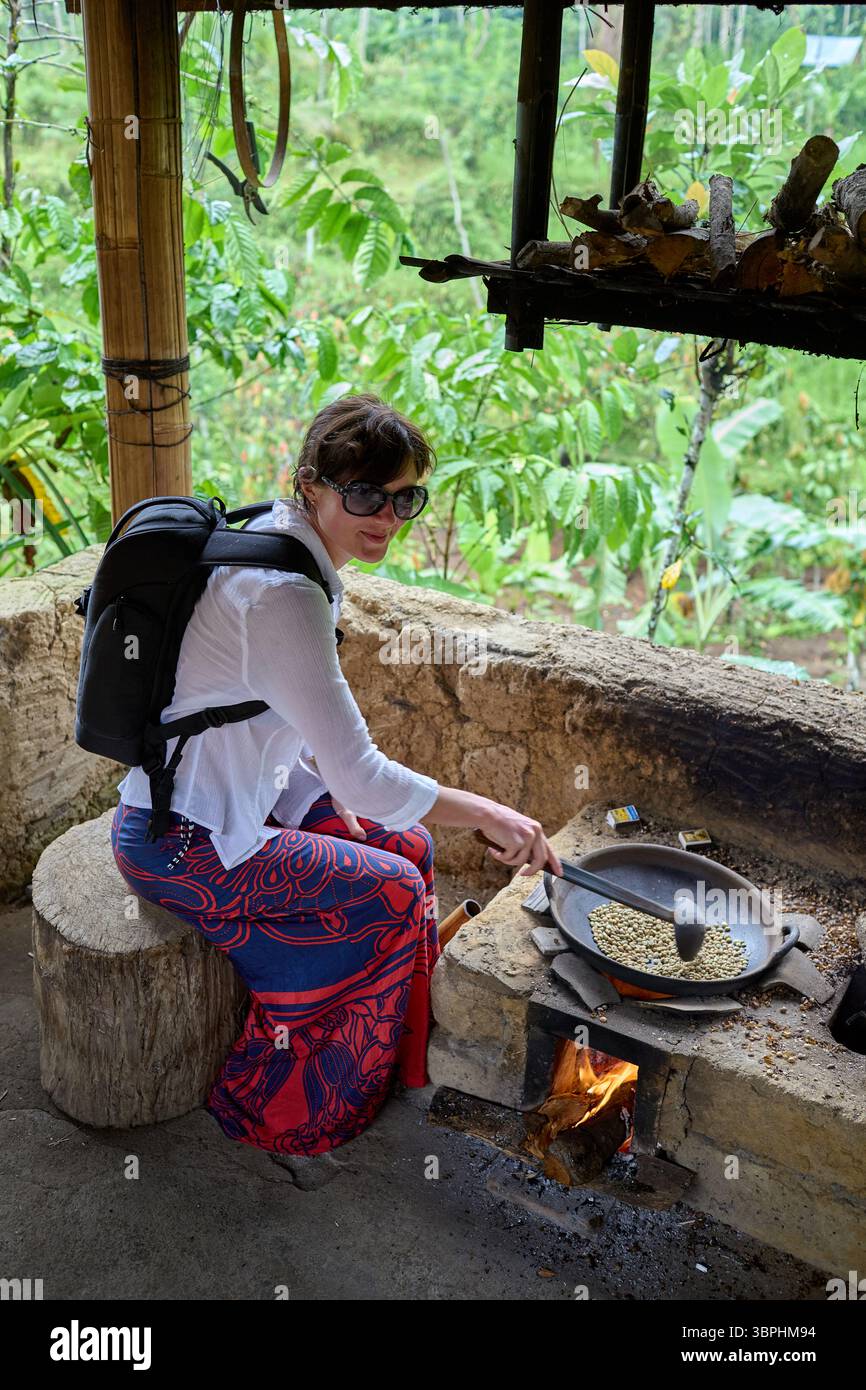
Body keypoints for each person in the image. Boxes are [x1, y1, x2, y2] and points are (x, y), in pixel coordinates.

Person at [110, 392, 562, 1160]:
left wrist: (321, 798)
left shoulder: (283, 545)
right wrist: (495, 813)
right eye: (364, 494)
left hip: (231, 807)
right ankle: (284, 1104)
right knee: (390, 892)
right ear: (311, 484)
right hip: (182, 843)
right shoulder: (284, 593)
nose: (385, 516)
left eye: (404, 497)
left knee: (411, 850)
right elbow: (365, 777)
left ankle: (393, 1050)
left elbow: (268, 724)